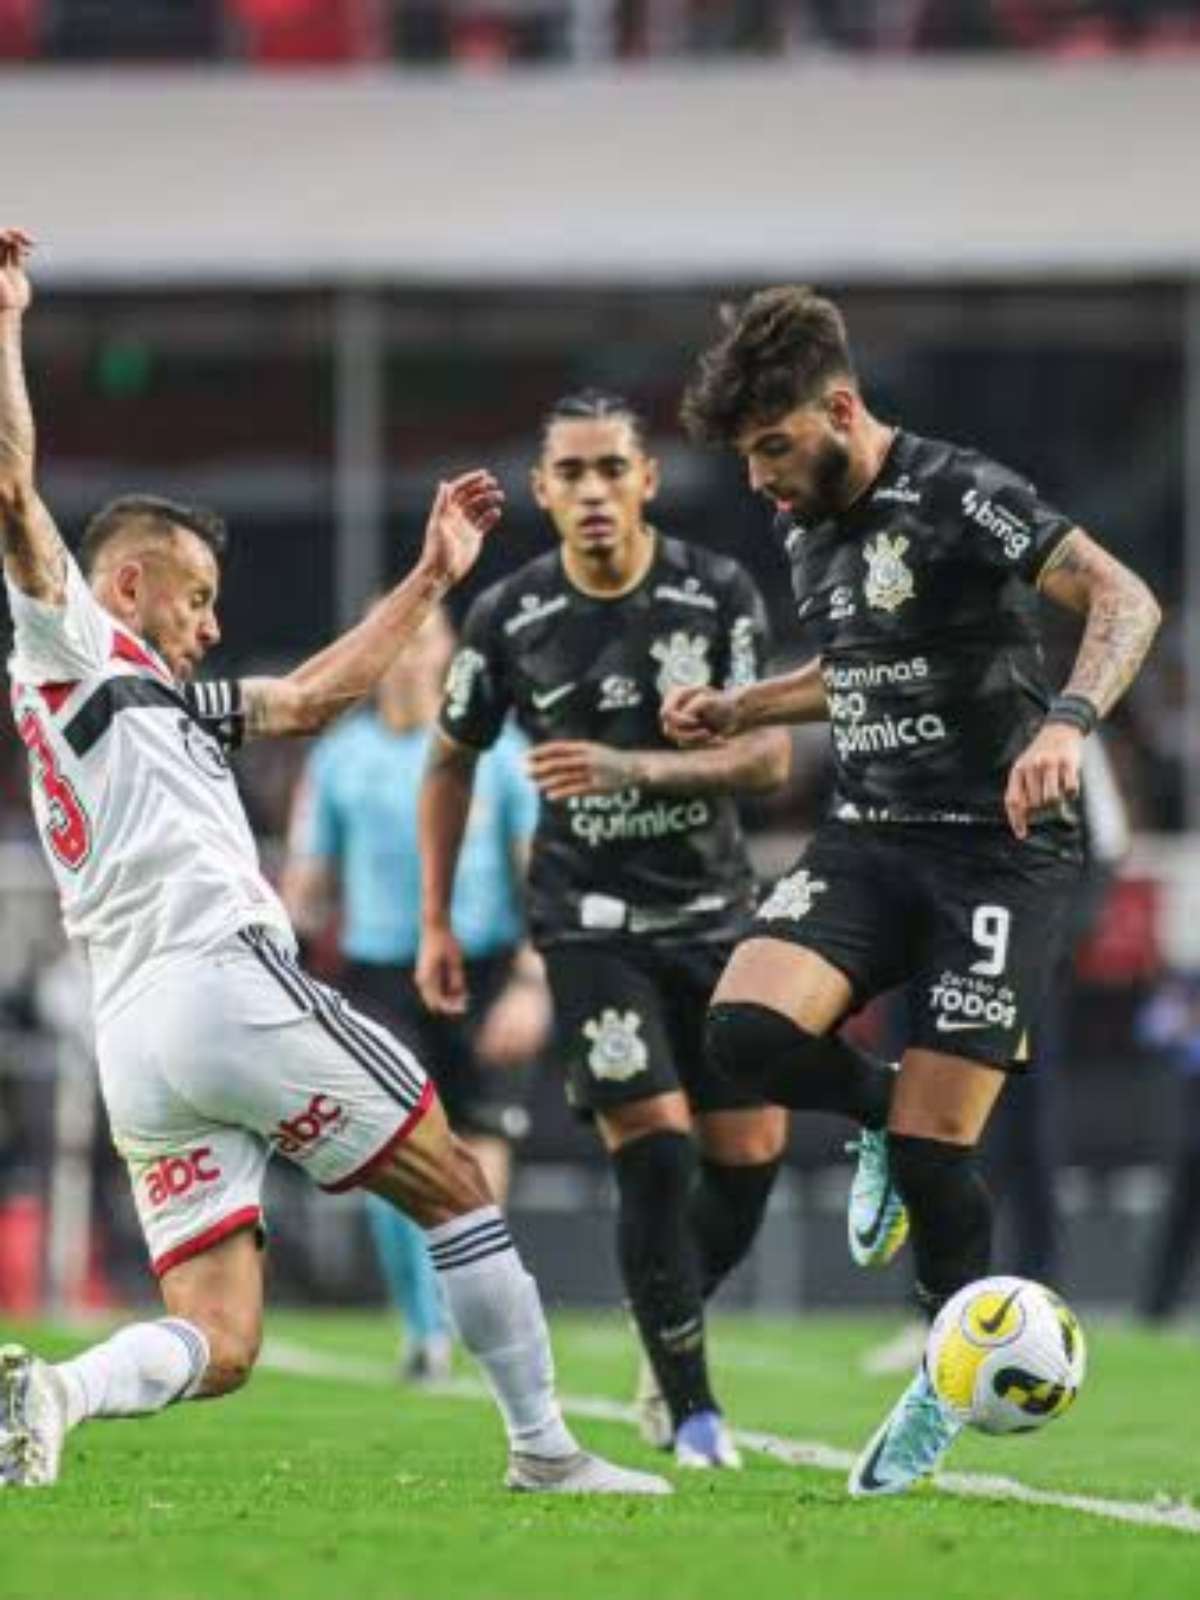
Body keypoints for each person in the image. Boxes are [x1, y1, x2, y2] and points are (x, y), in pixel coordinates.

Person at [0, 228, 667, 1498]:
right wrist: (7, 319)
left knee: (226, 1334)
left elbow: (308, 697)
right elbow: (14, 496)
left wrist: (428, 576)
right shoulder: (73, 645)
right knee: (458, 1181)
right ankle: (545, 1451)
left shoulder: (151, 700)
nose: (209, 627)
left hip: (138, 1034)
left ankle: (55, 1392)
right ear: (127, 583)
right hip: (217, 979)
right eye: (193, 600)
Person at [668, 285, 1161, 1494]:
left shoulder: (958, 491)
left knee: (946, 1157)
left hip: (997, 849)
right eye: (747, 460)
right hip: (872, 835)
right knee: (741, 1030)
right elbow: (864, 657)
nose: (762, 482)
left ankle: (947, 1380)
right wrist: (748, 703)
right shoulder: (806, 524)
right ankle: (884, 1108)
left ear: (841, 407)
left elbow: (1123, 596)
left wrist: (1069, 721)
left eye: (774, 448)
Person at [417, 389, 792, 1470]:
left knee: (750, 1153)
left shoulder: (713, 593)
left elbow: (768, 760)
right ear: (542, 490)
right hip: (585, 924)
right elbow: (449, 762)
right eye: (569, 473)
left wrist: (634, 765)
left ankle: (662, 1319)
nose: (590, 491)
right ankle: (693, 1406)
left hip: (716, 916)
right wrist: (441, 918)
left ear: (646, 479)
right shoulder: (510, 617)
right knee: (657, 1150)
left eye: (609, 469)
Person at [282, 604, 549, 1382]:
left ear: (448, 655)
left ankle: (471, 1312)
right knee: (389, 1150)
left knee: (481, 1149)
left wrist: (532, 981)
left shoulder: (495, 748)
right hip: (380, 973)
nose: (404, 659)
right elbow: (311, 877)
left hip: (483, 968)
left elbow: (536, 871)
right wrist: (281, 951)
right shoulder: (339, 757)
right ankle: (424, 1327)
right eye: (393, 643)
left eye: (420, 642)